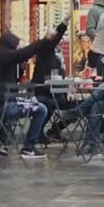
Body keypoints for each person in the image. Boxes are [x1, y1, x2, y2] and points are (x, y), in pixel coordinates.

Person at [0, 30, 62, 159]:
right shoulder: (4, 56)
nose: (18, 48)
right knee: (41, 109)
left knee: (17, 105)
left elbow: (11, 85)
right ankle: (29, 148)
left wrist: (21, 69)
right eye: (17, 45)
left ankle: (0, 139)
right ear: (10, 45)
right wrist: (44, 40)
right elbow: (24, 53)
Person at [47, 32, 104, 146]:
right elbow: (98, 79)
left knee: (85, 103)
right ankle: (90, 143)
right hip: (102, 96)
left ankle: (72, 115)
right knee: (92, 105)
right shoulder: (103, 58)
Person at [30, 15, 72, 143]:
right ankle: (37, 132)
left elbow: (61, 77)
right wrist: (64, 23)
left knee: (80, 107)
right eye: (54, 38)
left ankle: (56, 129)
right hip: (42, 93)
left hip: (58, 94)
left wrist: (68, 88)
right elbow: (54, 38)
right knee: (49, 104)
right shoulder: (44, 52)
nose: (58, 41)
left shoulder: (58, 57)